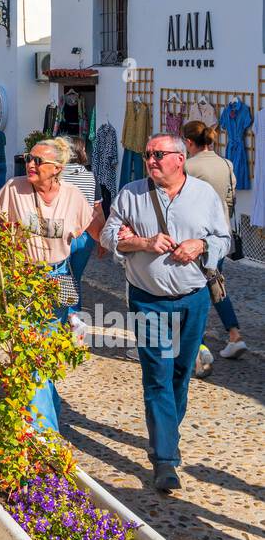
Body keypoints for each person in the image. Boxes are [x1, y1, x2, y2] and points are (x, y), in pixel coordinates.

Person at [101, 133, 231, 492]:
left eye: (158, 154)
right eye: (147, 155)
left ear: (179, 158)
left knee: (180, 373)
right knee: (157, 374)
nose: (151, 160)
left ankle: (166, 437)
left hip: (193, 298)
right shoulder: (131, 193)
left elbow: (224, 239)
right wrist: (143, 242)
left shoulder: (204, 195)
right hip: (148, 299)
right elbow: (108, 236)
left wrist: (201, 245)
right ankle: (165, 459)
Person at [0, 138, 101, 434]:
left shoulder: (73, 196)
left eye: (38, 161)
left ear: (57, 168)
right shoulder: (14, 189)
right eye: (29, 158)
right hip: (23, 279)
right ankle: (45, 433)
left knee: (45, 353)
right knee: (30, 354)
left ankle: (45, 409)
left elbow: (89, 228)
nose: (30, 164)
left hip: (58, 276)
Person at [183, 120, 246, 361]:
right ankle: (234, 334)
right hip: (221, 236)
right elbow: (230, 200)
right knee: (215, 283)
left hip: (195, 237)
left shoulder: (188, 167)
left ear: (189, 142)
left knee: (193, 290)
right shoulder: (226, 164)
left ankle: (197, 346)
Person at [62, 137, 106, 315]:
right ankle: (74, 317)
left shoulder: (56, 174)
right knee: (75, 277)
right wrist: (102, 239)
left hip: (62, 235)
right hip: (85, 236)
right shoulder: (90, 176)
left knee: (61, 277)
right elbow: (98, 209)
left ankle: (64, 318)